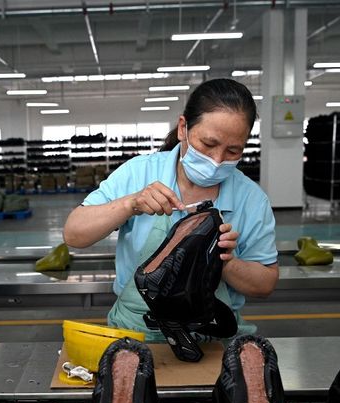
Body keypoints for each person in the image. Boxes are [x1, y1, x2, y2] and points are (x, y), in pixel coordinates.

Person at [63, 78, 278, 339]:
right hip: (136, 335)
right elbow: (74, 234)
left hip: (212, 338)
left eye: (233, 151)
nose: (217, 160)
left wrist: (225, 262)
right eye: (208, 145)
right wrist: (130, 204)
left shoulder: (251, 199)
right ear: (182, 128)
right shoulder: (139, 173)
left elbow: (265, 284)